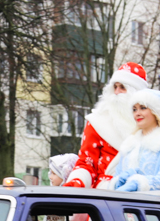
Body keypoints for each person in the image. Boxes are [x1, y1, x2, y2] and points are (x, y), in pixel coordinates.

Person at [64, 61, 149, 189]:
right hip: (106, 195)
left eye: (122, 87)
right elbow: (87, 162)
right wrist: (77, 182)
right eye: (115, 87)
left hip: (141, 195)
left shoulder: (150, 127)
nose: (116, 92)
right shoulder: (97, 122)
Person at [110, 88, 160, 193]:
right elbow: (117, 176)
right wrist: (116, 183)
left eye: (143, 108)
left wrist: (137, 184)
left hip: (153, 206)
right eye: (134, 109)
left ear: (155, 111)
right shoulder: (129, 143)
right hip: (122, 205)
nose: (137, 113)